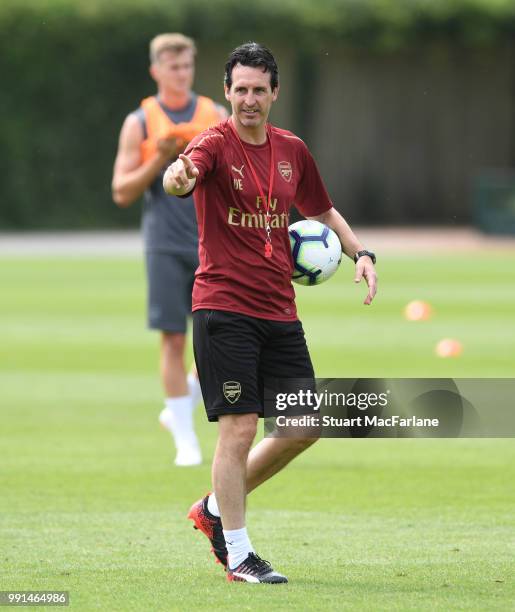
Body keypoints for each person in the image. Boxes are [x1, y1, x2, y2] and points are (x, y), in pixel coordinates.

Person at [163, 42, 377, 583]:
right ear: (227, 92)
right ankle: (238, 553)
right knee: (239, 429)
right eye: (240, 90)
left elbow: (321, 209)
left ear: (274, 93)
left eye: (259, 90)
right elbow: (181, 176)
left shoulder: (292, 150)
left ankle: (213, 508)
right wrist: (178, 175)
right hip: (223, 307)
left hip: (280, 311)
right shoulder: (212, 143)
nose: (249, 99)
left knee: (304, 426)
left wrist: (362, 253)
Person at [112, 33, 228, 466]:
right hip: (164, 243)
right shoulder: (140, 121)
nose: (181, 74)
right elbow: (121, 191)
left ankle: (181, 405)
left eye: (186, 66)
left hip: (211, 241)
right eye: (172, 66)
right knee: (173, 340)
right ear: (156, 70)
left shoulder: (213, 113)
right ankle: (186, 440)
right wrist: (155, 161)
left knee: (215, 339)